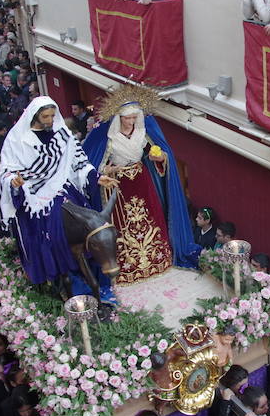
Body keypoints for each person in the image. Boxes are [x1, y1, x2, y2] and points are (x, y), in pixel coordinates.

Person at [0, 97, 115, 288]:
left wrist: (95, 177)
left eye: (53, 115)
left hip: (62, 186)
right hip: (34, 194)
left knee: (86, 221)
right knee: (45, 230)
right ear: (35, 116)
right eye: (45, 116)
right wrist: (14, 181)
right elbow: (5, 170)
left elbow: (79, 162)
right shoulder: (16, 139)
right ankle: (58, 276)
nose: (50, 120)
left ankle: (94, 267)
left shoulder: (62, 134)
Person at [84, 94, 200, 284]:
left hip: (142, 180)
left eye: (133, 118)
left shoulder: (142, 132)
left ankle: (157, 258)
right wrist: (109, 170)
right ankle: (127, 264)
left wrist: (159, 158)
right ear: (118, 118)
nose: (130, 122)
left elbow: (159, 154)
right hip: (119, 185)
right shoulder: (109, 137)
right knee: (123, 222)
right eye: (127, 118)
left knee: (150, 215)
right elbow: (94, 165)